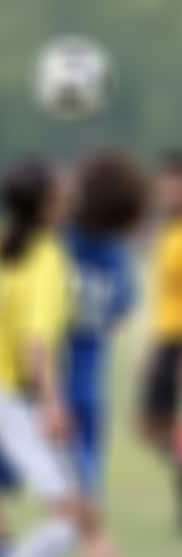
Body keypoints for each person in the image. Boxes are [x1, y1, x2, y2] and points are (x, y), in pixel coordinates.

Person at [0, 152, 149, 557]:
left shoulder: (51, 247)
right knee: (84, 518)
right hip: (80, 398)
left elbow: (26, 323)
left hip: (34, 391)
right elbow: (120, 313)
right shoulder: (117, 262)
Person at [0, 157, 80, 557]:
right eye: (60, 191)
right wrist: (53, 405)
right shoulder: (47, 257)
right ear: (46, 203)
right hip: (4, 392)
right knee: (70, 516)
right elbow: (37, 344)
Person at [137, 150, 182, 534]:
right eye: (164, 181)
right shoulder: (166, 228)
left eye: (175, 181)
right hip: (165, 340)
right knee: (149, 427)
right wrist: (152, 347)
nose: (168, 188)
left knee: (176, 429)